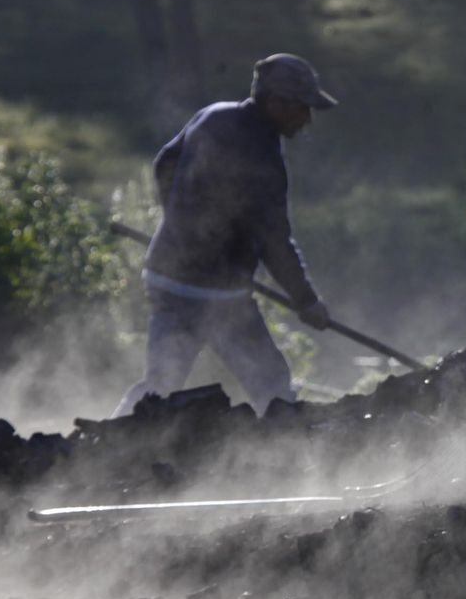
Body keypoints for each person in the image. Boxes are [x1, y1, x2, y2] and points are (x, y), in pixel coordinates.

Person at [113, 53, 337, 418]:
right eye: (302, 107)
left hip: (167, 276)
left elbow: (164, 163)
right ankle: (288, 445)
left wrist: (180, 224)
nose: (307, 119)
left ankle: (106, 437)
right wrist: (306, 300)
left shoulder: (213, 115)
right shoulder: (264, 158)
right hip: (219, 297)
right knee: (272, 385)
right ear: (276, 102)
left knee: (160, 383)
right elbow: (275, 242)